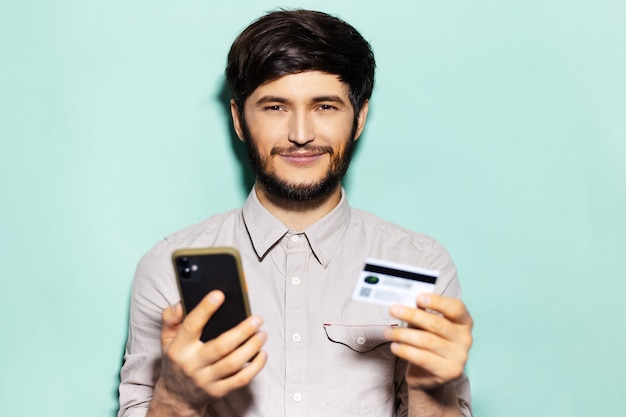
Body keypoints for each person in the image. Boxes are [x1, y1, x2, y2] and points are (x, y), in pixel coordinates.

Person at [118, 9, 473, 417]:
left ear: (359, 118)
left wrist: (432, 392)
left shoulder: (420, 265)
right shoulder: (166, 269)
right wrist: (177, 399)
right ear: (238, 119)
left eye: (324, 106)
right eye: (274, 107)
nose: (301, 134)